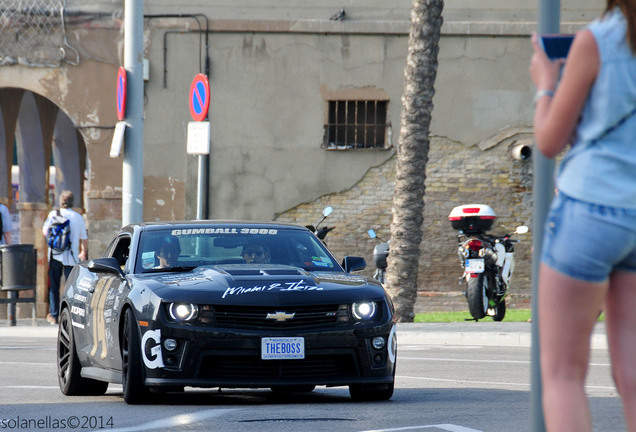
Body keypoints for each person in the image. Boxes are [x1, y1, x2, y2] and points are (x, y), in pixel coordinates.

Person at [530, 2, 636, 431]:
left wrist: (545, 83)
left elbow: (550, 139)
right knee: (631, 372)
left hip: (590, 211)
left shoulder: (599, 40)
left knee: (563, 374)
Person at [42, 190, 88, 325]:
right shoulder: (78, 217)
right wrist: (83, 252)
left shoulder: (53, 214)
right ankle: (69, 314)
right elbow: (84, 238)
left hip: (55, 255)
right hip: (72, 257)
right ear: (72, 202)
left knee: (54, 286)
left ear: (60, 201)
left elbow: (45, 232)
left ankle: (54, 315)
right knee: (71, 287)